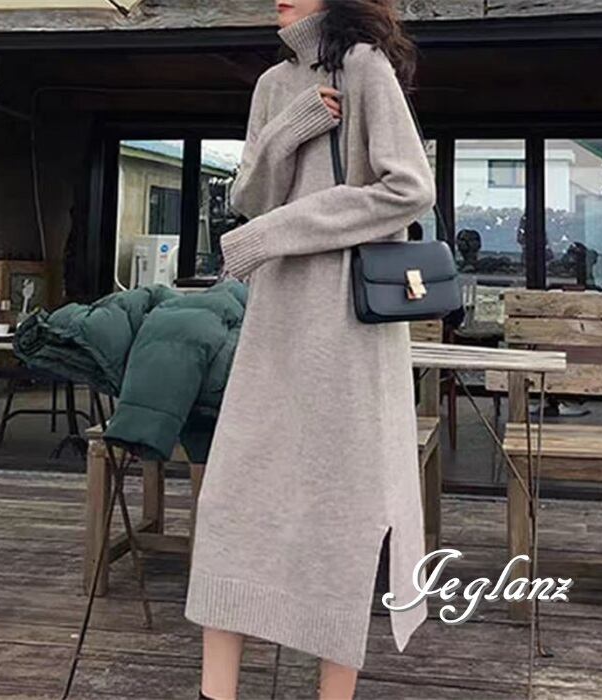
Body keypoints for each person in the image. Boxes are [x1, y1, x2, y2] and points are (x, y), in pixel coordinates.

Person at [184, 2, 437, 698]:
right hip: (276, 320)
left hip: (349, 327)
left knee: (339, 512)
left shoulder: (364, 67)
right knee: (233, 501)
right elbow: (250, 197)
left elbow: (410, 188)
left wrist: (274, 233)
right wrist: (287, 131)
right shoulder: (272, 84)